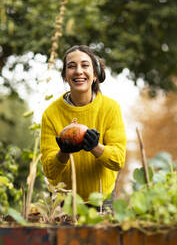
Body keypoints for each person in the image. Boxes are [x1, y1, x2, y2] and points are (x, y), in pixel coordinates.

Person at [40, 45, 127, 204]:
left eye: (85, 65)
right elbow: (49, 171)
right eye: (71, 66)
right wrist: (63, 153)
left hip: (101, 199)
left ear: (95, 74)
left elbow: (118, 161)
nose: (78, 71)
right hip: (63, 201)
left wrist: (95, 147)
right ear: (65, 76)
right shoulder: (51, 113)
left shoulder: (110, 108)